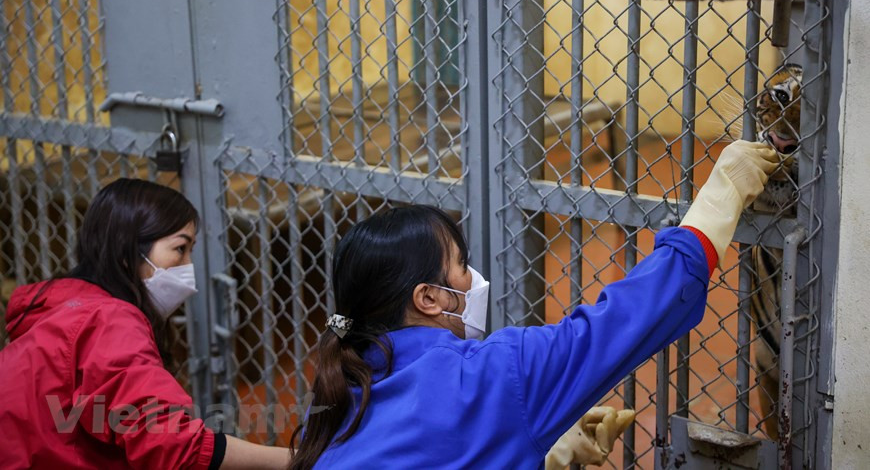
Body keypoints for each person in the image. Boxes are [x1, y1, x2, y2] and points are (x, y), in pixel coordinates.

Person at [288, 140, 779, 469]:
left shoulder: (339, 389)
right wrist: (722, 195)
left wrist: (542, 452)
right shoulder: (498, 373)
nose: (473, 277)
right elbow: (634, 313)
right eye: (461, 264)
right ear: (430, 298)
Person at [0, 179, 289, 469]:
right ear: (129, 253)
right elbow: (174, 445)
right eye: (179, 248)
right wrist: (294, 460)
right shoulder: (110, 323)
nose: (188, 266)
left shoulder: (63, 305)